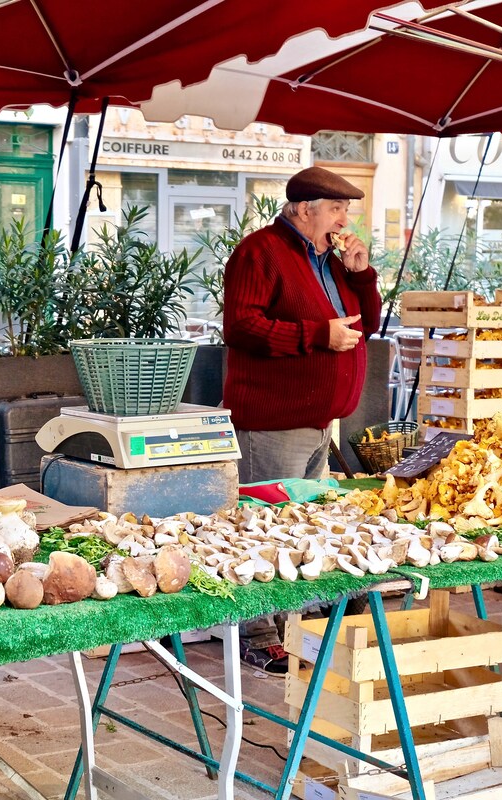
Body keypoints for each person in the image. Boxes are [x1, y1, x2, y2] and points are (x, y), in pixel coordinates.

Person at [222, 166, 382, 672]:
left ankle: (293, 624)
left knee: (303, 526)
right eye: (336, 209)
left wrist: (361, 273)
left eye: (346, 211)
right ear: (303, 209)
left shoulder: (332, 262)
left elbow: (368, 324)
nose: (344, 221)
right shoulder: (259, 252)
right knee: (263, 527)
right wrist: (317, 335)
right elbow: (241, 326)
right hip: (273, 420)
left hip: (320, 422)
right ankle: (257, 633)